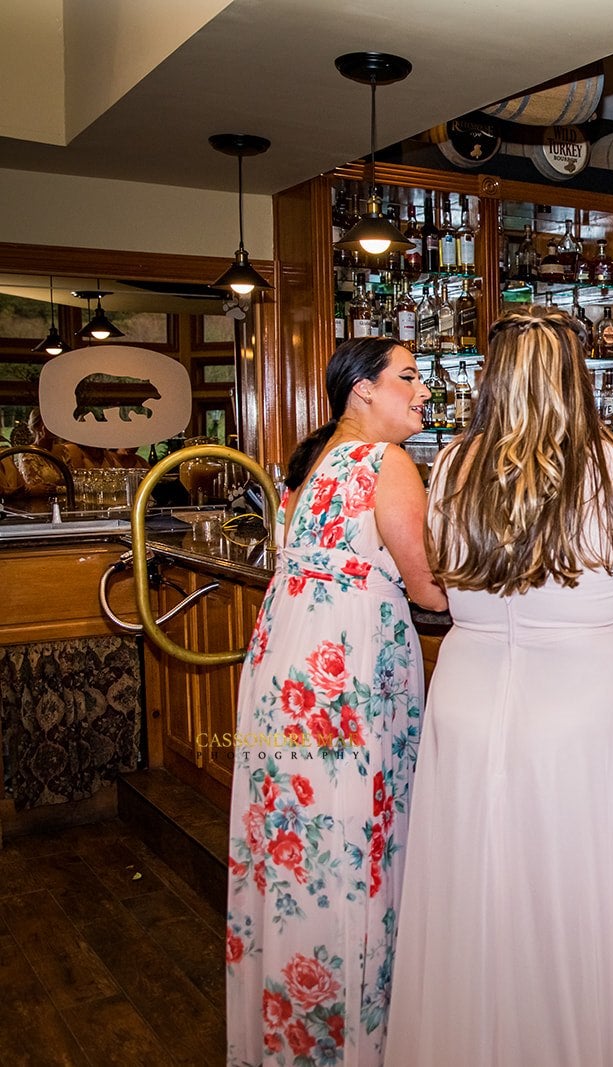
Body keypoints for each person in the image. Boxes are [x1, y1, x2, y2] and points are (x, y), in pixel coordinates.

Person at [386, 309, 613, 1064]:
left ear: (492, 379)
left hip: (474, 692)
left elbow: (440, 578)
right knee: (584, 888)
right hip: (586, 699)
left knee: (476, 885)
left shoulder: (448, 465)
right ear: (577, 379)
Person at [225, 337, 446, 1067]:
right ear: (362, 389)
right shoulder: (387, 464)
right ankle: (355, 1039)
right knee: (355, 845)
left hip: (283, 671)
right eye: (408, 378)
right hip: (347, 674)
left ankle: (290, 1033)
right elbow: (431, 589)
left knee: (293, 845)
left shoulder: (307, 465)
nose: (423, 392)